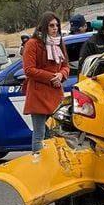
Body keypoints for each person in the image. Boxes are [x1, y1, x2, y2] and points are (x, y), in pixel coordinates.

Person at [22, 12, 69, 164]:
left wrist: (61, 75)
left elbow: (66, 65)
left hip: (56, 93)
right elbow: (28, 69)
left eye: (57, 25)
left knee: (55, 133)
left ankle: (54, 163)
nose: (55, 28)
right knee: (39, 133)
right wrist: (52, 77)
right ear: (43, 27)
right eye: (51, 25)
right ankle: (38, 164)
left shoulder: (59, 42)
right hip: (38, 93)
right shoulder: (32, 44)